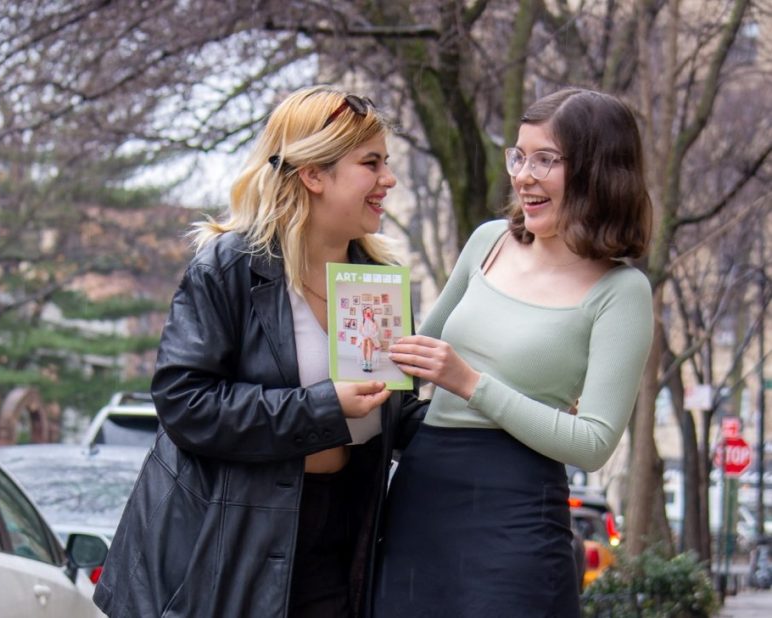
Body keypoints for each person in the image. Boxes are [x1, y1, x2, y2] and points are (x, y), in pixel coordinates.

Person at [93, 86, 426, 618]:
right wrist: (322, 406)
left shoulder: (377, 283)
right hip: (225, 551)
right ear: (314, 174)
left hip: (339, 545)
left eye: (386, 163)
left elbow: (391, 413)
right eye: (371, 163)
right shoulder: (229, 267)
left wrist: (485, 399)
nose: (388, 179)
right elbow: (185, 403)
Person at [372, 88, 654, 617]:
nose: (523, 175)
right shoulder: (488, 241)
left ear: (598, 170)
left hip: (517, 511)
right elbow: (406, 363)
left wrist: (472, 383)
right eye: (518, 155)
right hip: (421, 496)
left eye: (545, 159)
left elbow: (593, 442)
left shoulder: (622, 291)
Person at [358, 306, 381, 372]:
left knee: (369, 341)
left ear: (372, 313)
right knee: (365, 341)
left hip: (372, 338)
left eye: (370, 312)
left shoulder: (374, 322)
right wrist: (364, 337)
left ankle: (369, 362)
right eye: (366, 312)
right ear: (364, 313)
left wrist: (371, 337)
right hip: (363, 338)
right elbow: (359, 332)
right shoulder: (362, 321)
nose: (368, 313)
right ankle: (365, 362)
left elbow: (377, 332)